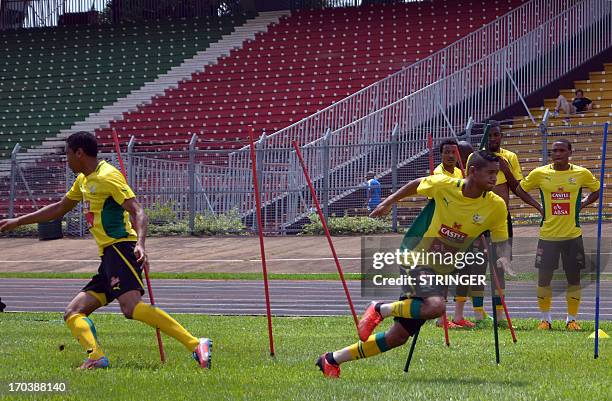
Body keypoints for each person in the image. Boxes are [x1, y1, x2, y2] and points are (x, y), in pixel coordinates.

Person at [0, 131, 212, 369]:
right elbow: (60, 208)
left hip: (121, 249)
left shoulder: (108, 176)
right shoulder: (83, 180)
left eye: (68, 154)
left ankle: (195, 344)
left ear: (79, 153)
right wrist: (17, 221)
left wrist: (141, 244)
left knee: (130, 308)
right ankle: (96, 357)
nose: (66, 160)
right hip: (108, 257)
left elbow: (138, 212)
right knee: (74, 312)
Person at [316, 150, 513, 378]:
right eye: (490, 173)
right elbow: (417, 183)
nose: (494, 178)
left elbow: (501, 239)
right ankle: (380, 308)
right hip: (415, 259)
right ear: (472, 172)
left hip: (441, 271)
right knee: (436, 307)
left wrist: (504, 257)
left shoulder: (496, 206)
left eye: (496, 174)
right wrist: (389, 202)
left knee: (397, 337)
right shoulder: (445, 185)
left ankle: (331, 359)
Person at [509, 139, 600, 331]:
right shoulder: (540, 173)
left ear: (570, 152)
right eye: (554, 151)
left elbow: (597, 190)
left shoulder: (581, 173)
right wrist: (538, 206)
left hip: (573, 236)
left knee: (574, 279)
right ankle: (545, 320)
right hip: (548, 236)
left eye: (561, 150)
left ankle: (571, 320)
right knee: (544, 279)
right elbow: (519, 189)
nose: (557, 153)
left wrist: (582, 204)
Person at [466, 122, 522, 326]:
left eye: (496, 135)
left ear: (501, 136)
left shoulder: (510, 157)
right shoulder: (476, 158)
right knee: (477, 267)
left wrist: (505, 168)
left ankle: (500, 316)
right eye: (489, 136)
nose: (492, 139)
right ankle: (479, 314)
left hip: (501, 218)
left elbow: (516, 185)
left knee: (500, 266)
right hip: (478, 219)